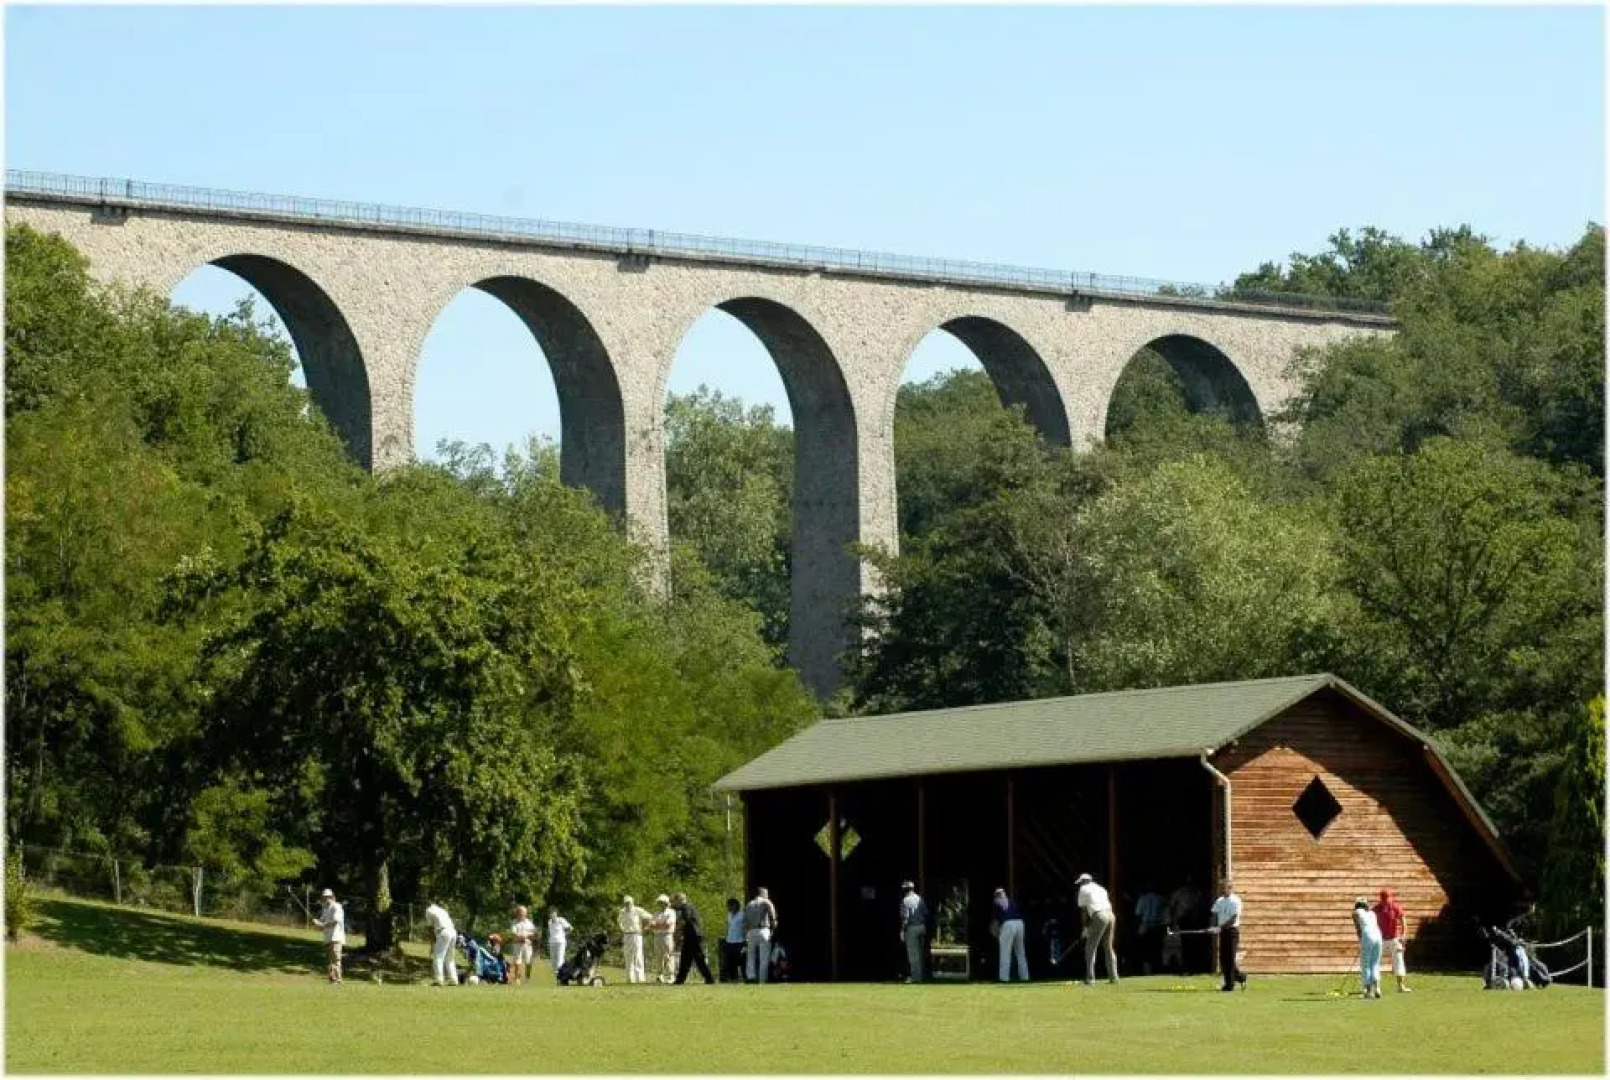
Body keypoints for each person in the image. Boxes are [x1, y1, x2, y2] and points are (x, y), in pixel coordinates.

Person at [1075, 873, 1118, 985]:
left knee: (1090, 946)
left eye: (1080, 882)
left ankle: (1090, 978)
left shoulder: (1083, 889)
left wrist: (1085, 928)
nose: (1080, 885)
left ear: (1083, 881)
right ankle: (1114, 977)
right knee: (1108, 946)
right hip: (1111, 915)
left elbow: (1084, 912)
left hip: (1099, 915)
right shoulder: (1101, 888)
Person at [1209, 879, 1246, 991]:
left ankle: (1229, 985)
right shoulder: (1219, 901)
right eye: (1221, 888)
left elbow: (1233, 918)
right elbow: (1214, 914)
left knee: (1230, 958)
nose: (1221, 890)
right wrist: (1213, 926)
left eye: (1224, 887)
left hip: (1232, 931)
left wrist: (1219, 927)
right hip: (1223, 932)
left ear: (1230, 888)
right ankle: (1240, 977)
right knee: (1224, 959)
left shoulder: (1236, 901)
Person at [671, 892, 715, 985]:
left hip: (694, 936)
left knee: (698, 959)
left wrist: (677, 931)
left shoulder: (685, 907)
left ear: (679, 900)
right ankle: (680, 980)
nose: (674, 903)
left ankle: (709, 979)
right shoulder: (687, 907)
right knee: (685, 959)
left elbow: (685, 920)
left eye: (675, 901)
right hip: (690, 936)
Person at [1373, 889, 1409, 993]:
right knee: (1376, 962)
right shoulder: (1376, 909)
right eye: (1384, 899)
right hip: (1380, 939)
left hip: (1395, 938)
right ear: (1381, 899)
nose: (1386, 901)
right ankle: (1376, 987)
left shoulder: (1395, 907)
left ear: (1391, 898)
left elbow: (1403, 921)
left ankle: (1400, 986)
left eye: (1388, 898)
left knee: (1399, 961)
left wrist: (1403, 934)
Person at [743, 887, 779, 984]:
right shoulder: (765, 901)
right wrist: (774, 922)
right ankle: (762, 980)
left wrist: (746, 934)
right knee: (764, 957)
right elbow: (772, 912)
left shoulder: (749, 904)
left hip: (751, 931)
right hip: (763, 930)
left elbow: (745, 921)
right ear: (763, 894)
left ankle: (751, 977)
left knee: (750, 956)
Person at [992, 887, 1029, 982]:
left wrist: (996, 935)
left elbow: (995, 923)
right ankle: (1025, 977)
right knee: (1021, 952)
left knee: (1005, 953)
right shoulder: (1011, 902)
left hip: (1008, 924)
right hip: (1020, 923)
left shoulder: (997, 903)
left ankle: (1004, 978)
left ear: (996, 896)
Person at [898, 881, 930, 983]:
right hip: (921, 927)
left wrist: (902, 930)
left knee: (913, 955)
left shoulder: (905, 900)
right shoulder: (919, 898)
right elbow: (925, 913)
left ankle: (915, 977)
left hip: (912, 928)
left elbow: (905, 918)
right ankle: (920, 976)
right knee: (920, 953)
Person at [312, 887, 345, 984]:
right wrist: (317, 922)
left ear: (332, 897)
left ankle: (338, 979)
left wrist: (322, 925)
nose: (326, 899)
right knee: (330, 960)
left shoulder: (337, 907)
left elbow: (335, 922)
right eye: (324, 897)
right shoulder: (325, 908)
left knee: (336, 959)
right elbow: (322, 920)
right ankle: (332, 979)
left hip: (336, 937)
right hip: (327, 937)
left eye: (328, 897)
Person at [1353, 897, 1383, 999]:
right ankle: (1377, 988)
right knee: (1375, 963)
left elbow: (1358, 928)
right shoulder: (1372, 913)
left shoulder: (1356, 912)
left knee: (1365, 964)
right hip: (1378, 937)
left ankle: (1367, 990)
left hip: (1367, 936)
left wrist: (1361, 940)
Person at [1134, 885, 1167, 976]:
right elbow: (1165, 915)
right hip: (1157, 926)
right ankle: (1157, 971)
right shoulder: (1161, 899)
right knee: (1157, 950)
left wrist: (1137, 929)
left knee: (1145, 952)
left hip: (1145, 926)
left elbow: (1138, 915)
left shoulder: (1142, 899)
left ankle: (1147, 972)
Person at [425, 901, 459, 986]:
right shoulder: (442, 910)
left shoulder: (428, 910)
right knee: (450, 958)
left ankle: (439, 980)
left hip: (443, 932)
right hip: (453, 932)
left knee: (437, 957)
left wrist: (432, 945)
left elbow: (430, 929)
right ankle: (453, 980)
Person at [618, 895, 651, 984]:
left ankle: (640, 978)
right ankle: (630, 978)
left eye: (629, 903)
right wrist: (622, 928)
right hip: (626, 935)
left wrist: (646, 927)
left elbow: (649, 917)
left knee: (638, 956)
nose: (627, 904)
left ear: (632, 902)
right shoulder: (622, 911)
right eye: (626, 903)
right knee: (628, 956)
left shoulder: (637, 910)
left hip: (637, 935)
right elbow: (619, 922)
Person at [648, 894, 677, 984]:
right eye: (659, 903)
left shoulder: (671, 912)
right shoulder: (656, 913)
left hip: (667, 936)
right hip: (657, 937)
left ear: (665, 903)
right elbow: (651, 926)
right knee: (658, 956)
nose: (659, 904)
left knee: (668, 956)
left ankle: (670, 976)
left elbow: (668, 924)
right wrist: (659, 925)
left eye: (661, 903)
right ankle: (659, 975)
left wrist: (657, 925)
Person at [509, 905, 537, 985]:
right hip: (518, 944)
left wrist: (527, 936)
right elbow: (513, 934)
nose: (522, 915)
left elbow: (534, 933)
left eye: (524, 913)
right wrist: (521, 936)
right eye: (521, 913)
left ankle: (527, 979)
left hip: (528, 945)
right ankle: (517, 979)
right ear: (517, 913)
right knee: (518, 961)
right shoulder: (514, 922)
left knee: (529, 962)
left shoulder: (529, 923)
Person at [720, 898, 746, 983]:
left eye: (730, 905)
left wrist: (746, 939)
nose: (728, 907)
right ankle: (733, 979)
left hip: (739, 941)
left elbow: (745, 927)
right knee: (730, 962)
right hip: (729, 941)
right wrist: (726, 936)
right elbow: (728, 927)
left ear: (735, 905)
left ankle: (744, 978)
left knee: (741, 961)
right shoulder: (729, 915)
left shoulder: (742, 915)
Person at [547, 907, 573, 979]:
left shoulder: (561, 920)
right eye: (551, 913)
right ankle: (558, 977)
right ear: (549, 915)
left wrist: (564, 934)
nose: (552, 915)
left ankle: (561, 978)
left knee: (560, 960)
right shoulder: (549, 922)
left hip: (560, 942)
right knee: (553, 961)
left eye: (554, 913)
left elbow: (570, 928)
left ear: (556, 914)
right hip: (552, 942)